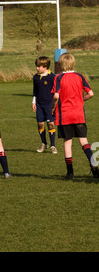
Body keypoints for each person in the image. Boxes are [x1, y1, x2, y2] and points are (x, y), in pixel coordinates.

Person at [51, 52, 98, 180]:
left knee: (68, 143)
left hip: (64, 115)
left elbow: (56, 95)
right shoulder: (80, 76)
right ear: (73, 63)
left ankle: (70, 172)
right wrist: (81, 100)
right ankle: (93, 163)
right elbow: (91, 93)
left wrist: (53, 106)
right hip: (78, 114)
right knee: (84, 141)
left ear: (61, 65)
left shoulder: (58, 78)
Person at [32, 56, 57, 153]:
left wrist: (55, 105)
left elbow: (56, 92)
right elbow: (35, 91)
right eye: (37, 66)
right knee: (40, 124)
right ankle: (44, 143)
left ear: (45, 66)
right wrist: (33, 101)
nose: (37, 68)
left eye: (39, 66)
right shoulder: (36, 77)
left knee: (50, 124)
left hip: (49, 105)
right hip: (39, 105)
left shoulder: (52, 77)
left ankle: (53, 146)